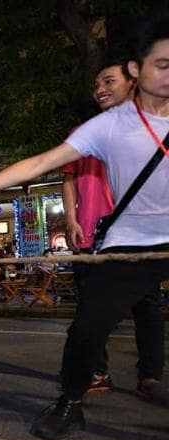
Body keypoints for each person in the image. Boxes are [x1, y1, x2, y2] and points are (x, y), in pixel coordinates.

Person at [0, 21, 169, 439]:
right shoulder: (109, 125)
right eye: (162, 65)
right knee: (87, 328)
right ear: (137, 69)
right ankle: (71, 401)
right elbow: (40, 164)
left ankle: (151, 376)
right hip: (129, 242)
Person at [61, 59, 162, 395]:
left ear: (132, 81)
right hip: (91, 233)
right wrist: (72, 219)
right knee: (89, 311)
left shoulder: (152, 128)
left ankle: (150, 376)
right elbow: (67, 177)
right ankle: (95, 372)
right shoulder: (86, 132)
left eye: (108, 81)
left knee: (146, 306)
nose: (100, 90)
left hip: (136, 236)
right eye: (96, 85)